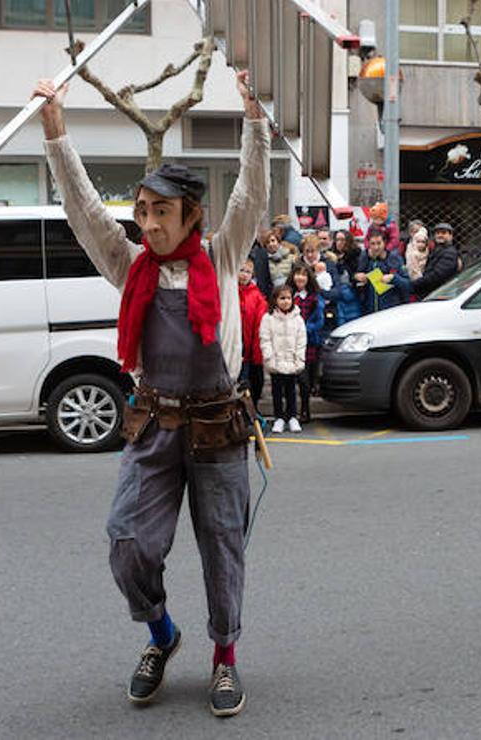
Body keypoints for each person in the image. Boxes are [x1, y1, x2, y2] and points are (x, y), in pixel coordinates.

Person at [33, 69, 265, 717]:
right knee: (127, 541)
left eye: (160, 211)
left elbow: (252, 192)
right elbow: (82, 210)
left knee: (222, 547)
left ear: (192, 215)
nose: (147, 222)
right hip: (153, 426)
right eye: (141, 210)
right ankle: (162, 635)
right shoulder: (128, 264)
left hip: (218, 426)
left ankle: (224, 658)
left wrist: (253, 120)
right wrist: (56, 133)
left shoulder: (220, 257)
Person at [260, 284, 306, 434]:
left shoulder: (298, 319)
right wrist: (269, 357)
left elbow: (301, 340)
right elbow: (265, 339)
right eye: (282, 298)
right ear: (275, 300)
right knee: (277, 391)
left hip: (292, 361)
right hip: (276, 361)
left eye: (288, 298)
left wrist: (299, 359)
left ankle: (292, 416)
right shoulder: (268, 318)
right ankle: (279, 417)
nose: (286, 301)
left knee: (291, 390)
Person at [288, 263, 326, 423]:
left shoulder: (314, 297)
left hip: (309, 342)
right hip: (291, 342)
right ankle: (292, 412)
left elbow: (319, 320)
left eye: (303, 274)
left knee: (306, 381)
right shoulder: (288, 295)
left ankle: (305, 409)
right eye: (297, 274)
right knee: (294, 379)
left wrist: (305, 329)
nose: (300, 278)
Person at [237, 259, 268, 415]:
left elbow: (260, 325)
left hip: (250, 348)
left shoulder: (257, 297)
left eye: (247, 272)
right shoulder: (230, 292)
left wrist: (257, 353)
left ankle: (251, 414)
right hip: (235, 346)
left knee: (253, 383)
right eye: (241, 270)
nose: (244, 275)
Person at [354, 232, 410, 314]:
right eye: (372, 244)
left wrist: (393, 278)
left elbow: (407, 284)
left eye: (379, 243)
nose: (376, 247)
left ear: (385, 243)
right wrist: (357, 277)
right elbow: (354, 279)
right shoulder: (364, 258)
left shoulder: (394, 259)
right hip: (369, 310)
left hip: (391, 309)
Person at [410, 222, 459, 300]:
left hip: (441, 294)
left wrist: (414, 284)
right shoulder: (435, 250)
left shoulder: (450, 252)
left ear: (451, 236)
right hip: (434, 293)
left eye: (444, 233)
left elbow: (436, 276)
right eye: (437, 233)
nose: (440, 235)